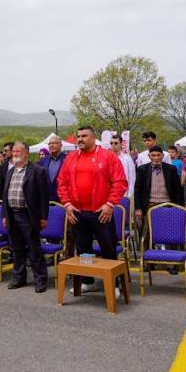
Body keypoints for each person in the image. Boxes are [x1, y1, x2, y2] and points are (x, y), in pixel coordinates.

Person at [57, 125, 128, 291]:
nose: (80, 139)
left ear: (93, 138)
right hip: (78, 213)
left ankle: (113, 284)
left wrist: (110, 204)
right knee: (83, 249)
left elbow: (120, 182)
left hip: (101, 212)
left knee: (108, 248)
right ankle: (87, 281)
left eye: (84, 136)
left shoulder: (108, 157)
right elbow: (62, 183)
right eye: (79, 136)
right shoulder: (71, 158)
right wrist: (67, 204)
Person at [0, 142, 50, 292]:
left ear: (26, 153)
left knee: (34, 249)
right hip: (12, 215)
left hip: (28, 216)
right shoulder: (10, 171)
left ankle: (40, 279)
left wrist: (43, 217)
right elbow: (4, 195)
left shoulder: (37, 171)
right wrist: (4, 215)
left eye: (17, 151)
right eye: (13, 152)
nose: (14, 154)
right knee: (16, 249)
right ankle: (19, 278)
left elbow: (43, 197)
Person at [134, 145, 184, 226]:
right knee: (148, 235)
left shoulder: (171, 169)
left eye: (158, 155)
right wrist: (138, 208)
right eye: (153, 155)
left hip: (168, 206)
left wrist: (179, 208)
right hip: (149, 206)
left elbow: (178, 190)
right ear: (149, 156)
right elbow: (137, 189)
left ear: (163, 156)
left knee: (168, 233)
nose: (156, 158)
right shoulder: (142, 169)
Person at [38, 135, 66, 202]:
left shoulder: (67, 159)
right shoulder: (43, 161)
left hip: (63, 201)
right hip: (46, 200)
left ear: (61, 145)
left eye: (54, 143)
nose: (51, 145)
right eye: (49, 143)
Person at [109, 134, 136, 202]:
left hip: (124, 195)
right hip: (109, 195)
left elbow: (132, 178)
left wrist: (129, 196)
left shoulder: (128, 159)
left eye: (115, 143)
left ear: (121, 144)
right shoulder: (106, 158)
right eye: (111, 143)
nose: (113, 145)